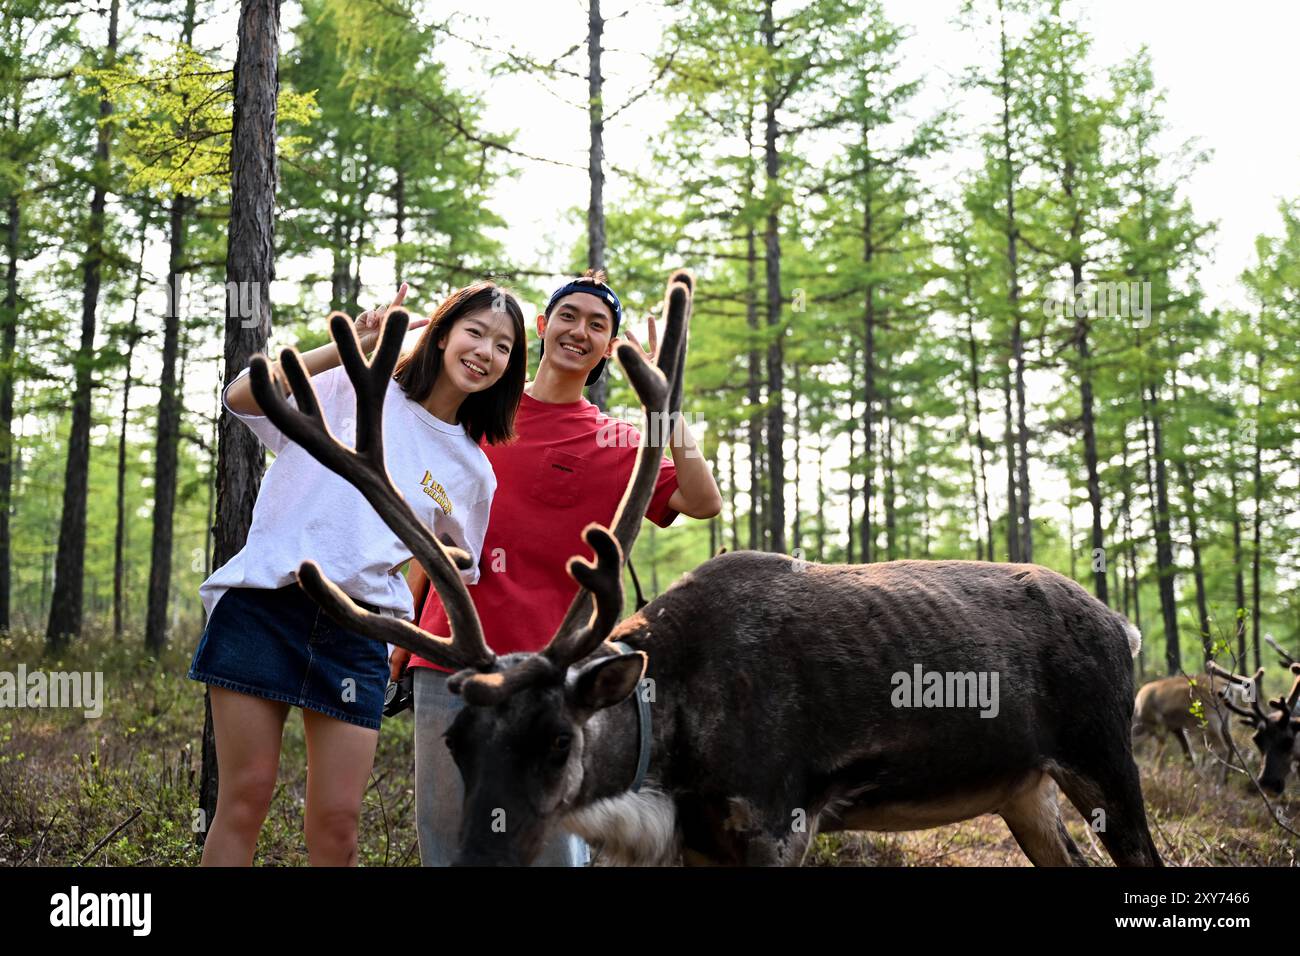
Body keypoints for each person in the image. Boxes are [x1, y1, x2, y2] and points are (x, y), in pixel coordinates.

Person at [190, 281, 527, 866]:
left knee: (339, 824)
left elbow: (451, 563)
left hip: (361, 633)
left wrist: (416, 620)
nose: (485, 351)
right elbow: (244, 395)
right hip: (266, 605)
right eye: (475, 331)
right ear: (441, 333)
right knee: (243, 800)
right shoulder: (357, 383)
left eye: (503, 346)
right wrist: (352, 344)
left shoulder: (472, 470)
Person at [397, 269, 722, 866]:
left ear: (610, 348)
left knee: (550, 837)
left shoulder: (622, 440)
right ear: (543, 326)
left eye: (599, 325)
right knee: (446, 830)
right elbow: (431, 526)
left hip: (555, 673)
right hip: (453, 652)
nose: (580, 331)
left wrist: (667, 407)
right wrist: (401, 641)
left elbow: (702, 502)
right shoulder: (479, 411)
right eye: (568, 316)